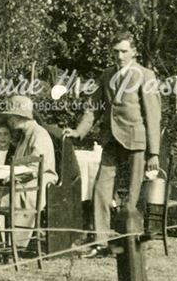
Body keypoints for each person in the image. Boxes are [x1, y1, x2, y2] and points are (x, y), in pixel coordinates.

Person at [64, 31, 161, 258]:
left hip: (136, 140)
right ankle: (101, 242)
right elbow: (93, 107)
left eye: (124, 51)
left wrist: (153, 152)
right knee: (100, 189)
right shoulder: (107, 75)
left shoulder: (146, 76)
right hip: (111, 139)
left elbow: (153, 115)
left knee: (133, 195)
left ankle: (131, 241)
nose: (119, 56)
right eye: (116, 51)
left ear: (134, 52)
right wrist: (79, 131)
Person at [0, 95, 58, 248]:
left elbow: (37, 166)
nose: (9, 120)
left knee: (13, 194)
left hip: (41, 179)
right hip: (27, 176)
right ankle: (2, 239)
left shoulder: (39, 134)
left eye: (12, 116)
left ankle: (16, 243)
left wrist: (15, 176)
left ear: (21, 116)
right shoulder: (24, 135)